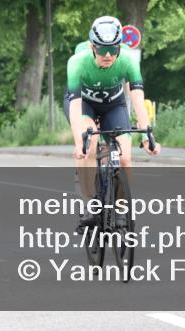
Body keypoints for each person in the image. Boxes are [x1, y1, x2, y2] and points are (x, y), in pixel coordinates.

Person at [64, 15, 159, 226]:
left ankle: (121, 211)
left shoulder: (128, 60)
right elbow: (75, 105)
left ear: (120, 47)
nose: (107, 55)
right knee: (90, 145)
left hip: (113, 105)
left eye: (113, 49)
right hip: (84, 104)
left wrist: (146, 135)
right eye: (101, 49)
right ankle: (88, 204)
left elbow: (137, 98)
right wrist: (80, 143)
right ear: (92, 46)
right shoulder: (77, 62)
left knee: (124, 158)